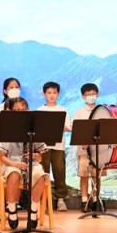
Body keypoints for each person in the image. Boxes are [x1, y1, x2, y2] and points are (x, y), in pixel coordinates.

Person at [0, 97, 48, 230]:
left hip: (30, 164)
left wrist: (35, 156)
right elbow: (2, 157)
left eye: (24, 110)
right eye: (17, 110)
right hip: (11, 163)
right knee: (14, 174)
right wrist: (15, 164)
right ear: (10, 111)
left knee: (40, 174)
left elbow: (40, 156)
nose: (21, 113)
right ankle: (12, 208)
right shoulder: (6, 129)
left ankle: (33, 209)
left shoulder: (33, 128)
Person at [37, 81, 71, 211]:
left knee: (59, 172)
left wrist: (57, 124)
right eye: (49, 93)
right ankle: (43, 200)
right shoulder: (40, 110)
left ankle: (60, 199)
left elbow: (68, 127)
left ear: (58, 94)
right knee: (43, 172)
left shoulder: (63, 110)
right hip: (43, 146)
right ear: (44, 94)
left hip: (58, 146)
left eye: (54, 93)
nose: (52, 95)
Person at [72, 83, 100, 210]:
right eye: (88, 94)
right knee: (84, 175)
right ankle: (84, 200)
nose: (91, 96)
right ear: (83, 96)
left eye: (93, 94)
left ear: (97, 94)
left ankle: (96, 199)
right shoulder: (79, 112)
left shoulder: (101, 110)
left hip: (99, 150)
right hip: (83, 150)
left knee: (97, 176)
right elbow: (76, 129)